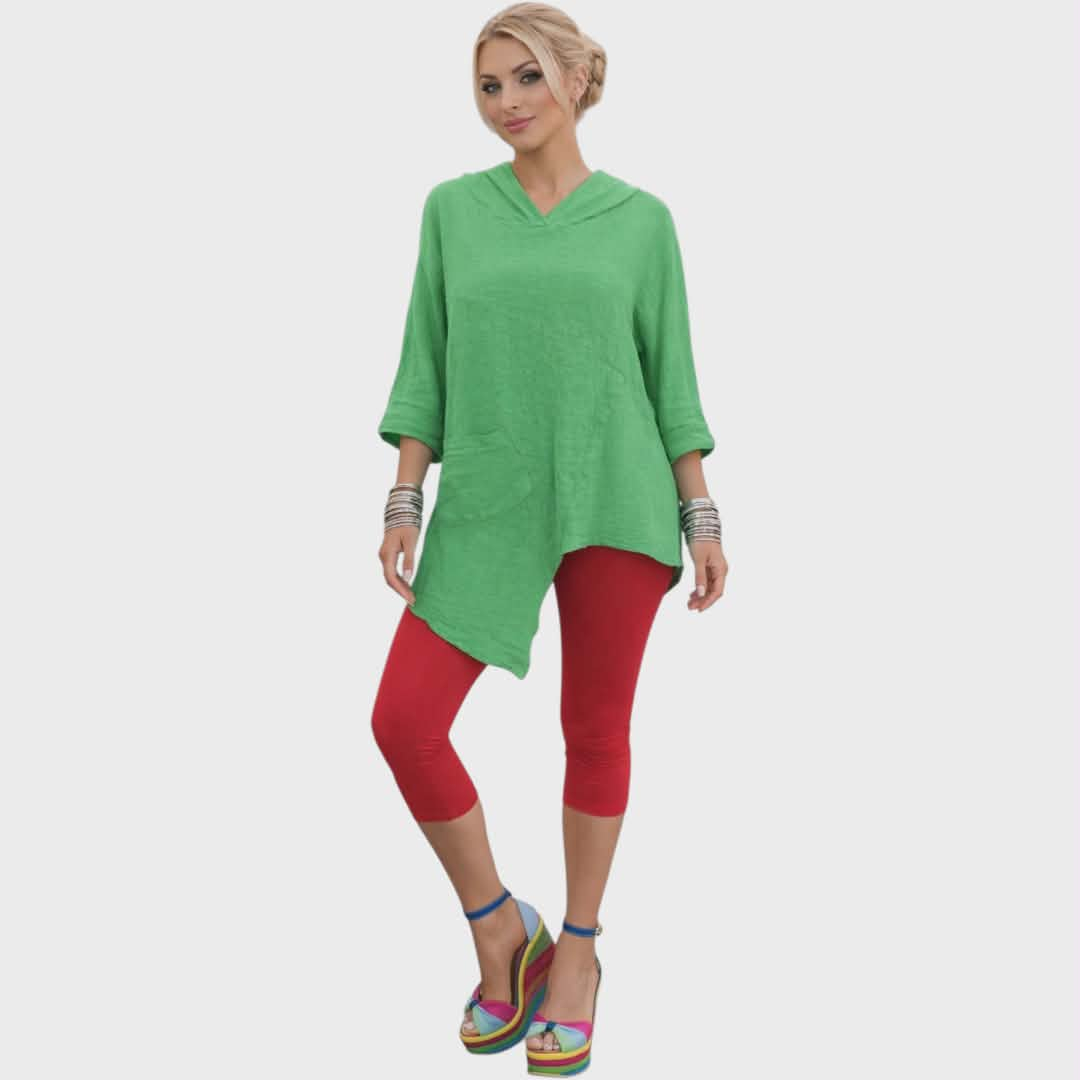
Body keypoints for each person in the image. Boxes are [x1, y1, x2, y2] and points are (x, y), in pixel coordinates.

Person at [371, 3, 729, 1073]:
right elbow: (426, 360)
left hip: (616, 496)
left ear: (577, 79)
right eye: (488, 86)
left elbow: (670, 377)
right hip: (490, 496)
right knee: (404, 720)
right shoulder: (453, 210)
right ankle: (500, 926)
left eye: (527, 77)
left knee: (596, 730)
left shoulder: (642, 222)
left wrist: (701, 511)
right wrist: (403, 498)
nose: (508, 102)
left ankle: (576, 951)